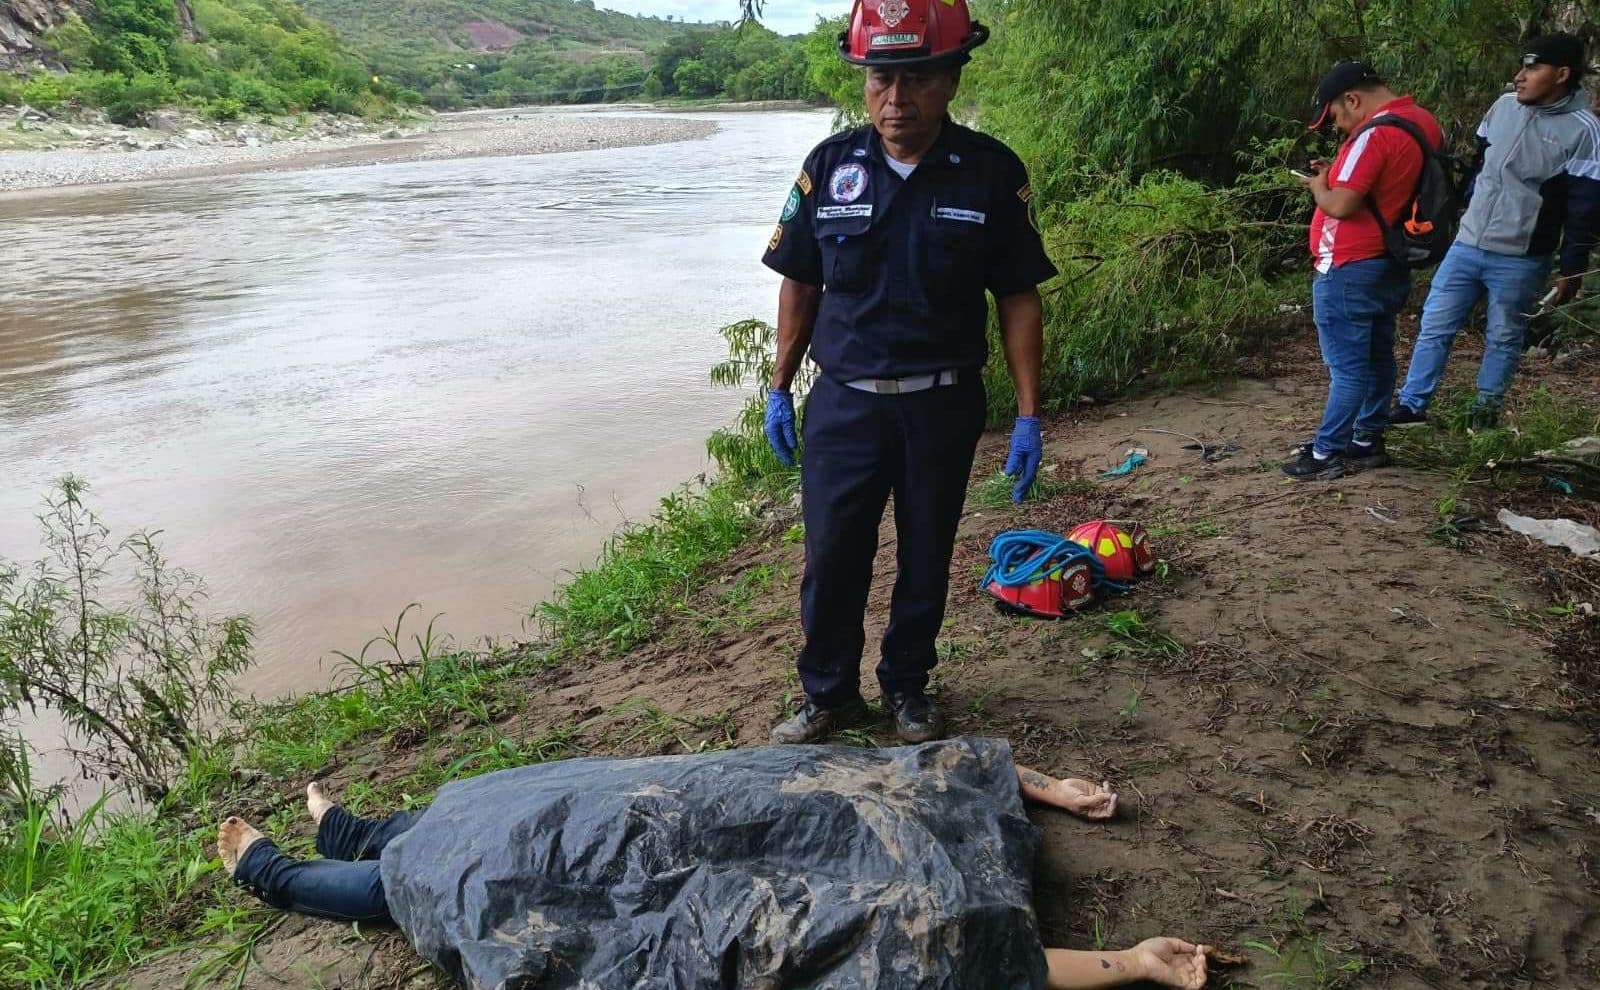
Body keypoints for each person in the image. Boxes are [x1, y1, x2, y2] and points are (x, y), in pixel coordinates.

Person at [761, 0, 1058, 745]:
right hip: (844, 407)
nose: (897, 100)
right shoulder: (830, 168)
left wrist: (1028, 412)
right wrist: (777, 385)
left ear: (952, 78)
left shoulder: (990, 172)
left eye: (917, 79)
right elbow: (799, 281)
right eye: (880, 80)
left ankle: (908, 687)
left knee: (927, 551)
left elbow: (1017, 297)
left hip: (942, 404)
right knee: (831, 559)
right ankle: (828, 695)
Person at [218, 773, 1213, 990]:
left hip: (585, 891)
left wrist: (1130, 962)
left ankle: (285, 872)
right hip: (604, 831)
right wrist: (1037, 787)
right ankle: (353, 829)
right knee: (513, 818)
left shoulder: (816, 926)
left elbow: (934, 951)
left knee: (451, 884)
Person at [1392, 33, 1600, 430]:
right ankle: (1411, 405)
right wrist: (1458, 214)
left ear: (1561, 74)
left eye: (1532, 68)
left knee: (1504, 337)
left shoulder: (1584, 130)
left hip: (1521, 256)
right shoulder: (1504, 106)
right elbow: (1480, 162)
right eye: (1521, 67)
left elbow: (1585, 207)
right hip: (1467, 243)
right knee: (1435, 324)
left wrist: (1571, 267)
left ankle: (1484, 415)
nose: (1520, 77)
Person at [1285, 61, 1443, 481]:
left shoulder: (1374, 135)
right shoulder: (1421, 122)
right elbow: (1387, 182)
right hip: (1388, 261)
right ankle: (1366, 440)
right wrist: (1335, 170)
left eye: (1336, 115)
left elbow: (1341, 204)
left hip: (1350, 265)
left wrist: (1320, 185)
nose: (1337, 126)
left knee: (1348, 369)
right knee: (1377, 357)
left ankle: (1325, 453)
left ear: (1353, 99)